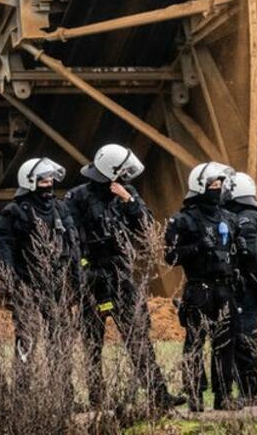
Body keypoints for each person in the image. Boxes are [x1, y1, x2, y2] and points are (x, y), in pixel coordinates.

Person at [65, 144, 182, 409]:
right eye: (122, 174)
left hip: (120, 275)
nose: (127, 179)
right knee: (92, 342)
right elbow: (69, 239)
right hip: (92, 278)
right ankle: (97, 399)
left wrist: (128, 201)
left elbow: (145, 226)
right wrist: (83, 270)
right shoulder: (77, 198)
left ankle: (159, 395)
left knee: (138, 336)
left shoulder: (127, 194)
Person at [0, 158, 79, 401]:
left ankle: (63, 394)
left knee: (60, 340)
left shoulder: (60, 208)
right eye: (43, 179)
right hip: (27, 285)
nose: (48, 183)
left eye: (51, 178)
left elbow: (73, 245)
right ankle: (21, 396)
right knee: (26, 340)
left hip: (56, 285)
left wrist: (77, 280)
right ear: (30, 182)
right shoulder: (14, 212)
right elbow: (3, 248)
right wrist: (12, 284)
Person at [164, 162, 241, 412]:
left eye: (219, 185)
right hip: (199, 289)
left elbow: (237, 250)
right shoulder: (184, 219)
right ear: (200, 186)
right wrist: (197, 247)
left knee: (225, 345)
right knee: (195, 344)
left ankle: (223, 396)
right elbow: (170, 257)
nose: (216, 189)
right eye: (212, 185)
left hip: (225, 289)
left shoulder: (229, 217)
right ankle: (195, 395)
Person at [221, 172, 257, 407]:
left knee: (243, 339)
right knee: (242, 338)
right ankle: (247, 390)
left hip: (245, 287)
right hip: (247, 286)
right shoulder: (253, 215)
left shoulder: (246, 219)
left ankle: (249, 392)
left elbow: (250, 256)